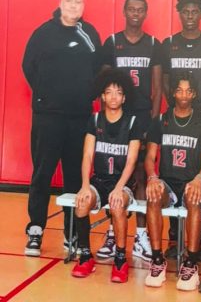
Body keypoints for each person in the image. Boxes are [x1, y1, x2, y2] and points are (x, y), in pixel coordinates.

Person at [22, 0, 102, 256]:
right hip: (48, 117)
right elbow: (27, 66)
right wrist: (47, 95)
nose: (73, 6)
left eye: (78, 2)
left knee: (73, 177)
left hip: (79, 118)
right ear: (60, 3)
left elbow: (98, 70)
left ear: (83, 5)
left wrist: (82, 96)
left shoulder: (89, 34)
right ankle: (35, 230)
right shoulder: (43, 33)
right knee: (42, 174)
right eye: (69, 1)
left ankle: (71, 232)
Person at [98, 0, 162, 262]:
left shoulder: (154, 45)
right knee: (113, 172)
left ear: (145, 14)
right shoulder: (112, 42)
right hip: (118, 117)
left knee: (141, 173)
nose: (135, 14)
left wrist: (154, 121)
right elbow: (105, 83)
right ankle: (114, 230)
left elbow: (158, 88)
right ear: (125, 11)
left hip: (143, 116)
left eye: (140, 10)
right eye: (131, 9)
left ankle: (142, 234)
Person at [161, 0, 201, 257]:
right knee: (173, 168)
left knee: (200, 171)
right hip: (176, 110)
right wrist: (176, 101)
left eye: (195, 11)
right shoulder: (168, 44)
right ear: (179, 13)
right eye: (185, 11)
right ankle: (175, 237)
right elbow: (164, 80)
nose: (190, 16)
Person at [143, 73, 201, 290]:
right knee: (153, 195)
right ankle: (157, 260)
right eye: (179, 90)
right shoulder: (160, 121)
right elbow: (149, 157)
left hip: (191, 182)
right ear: (173, 93)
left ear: (194, 94)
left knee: (194, 199)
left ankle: (191, 263)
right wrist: (152, 178)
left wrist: (199, 179)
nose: (183, 95)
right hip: (168, 183)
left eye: (188, 91)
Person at [70, 69, 141, 283]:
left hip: (123, 181)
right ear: (102, 95)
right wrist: (84, 185)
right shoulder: (94, 120)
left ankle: (120, 259)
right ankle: (85, 255)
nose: (113, 97)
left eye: (118, 93)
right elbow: (87, 155)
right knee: (81, 203)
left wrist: (119, 187)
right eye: (108, 92)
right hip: (99, 180)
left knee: (118, 205)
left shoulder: (132, 122)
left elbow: (131, 161)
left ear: (125, 97)